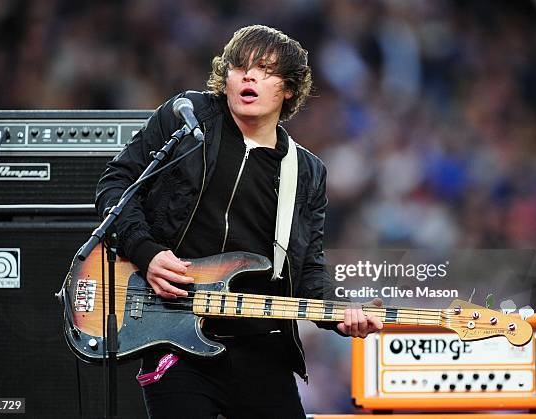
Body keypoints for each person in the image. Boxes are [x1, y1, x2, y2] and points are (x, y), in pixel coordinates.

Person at [96, 24, 383, 419]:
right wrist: (146, 252)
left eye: (265, 70)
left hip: (261, 348)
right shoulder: (188, 119)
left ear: (288, 90)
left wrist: (343, 315)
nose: (249, 76)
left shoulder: (306, 172)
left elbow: (308, 272)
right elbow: (116, 184)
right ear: (225, 79)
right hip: (175, 338)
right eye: (239, 67)